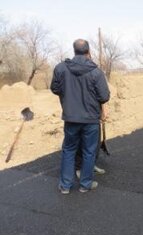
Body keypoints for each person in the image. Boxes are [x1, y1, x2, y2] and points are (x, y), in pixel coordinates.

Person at [50, 39, 110, 195]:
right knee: (89, 152)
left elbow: (55, 88)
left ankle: (65, 186)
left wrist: (68, 94)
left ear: (74, 50)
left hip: (70, 118)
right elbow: (104, 96)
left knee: (68, 150)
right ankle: (85, 185)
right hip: (90, 120)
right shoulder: (96, 72)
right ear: (88, 51)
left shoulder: (61, 68)